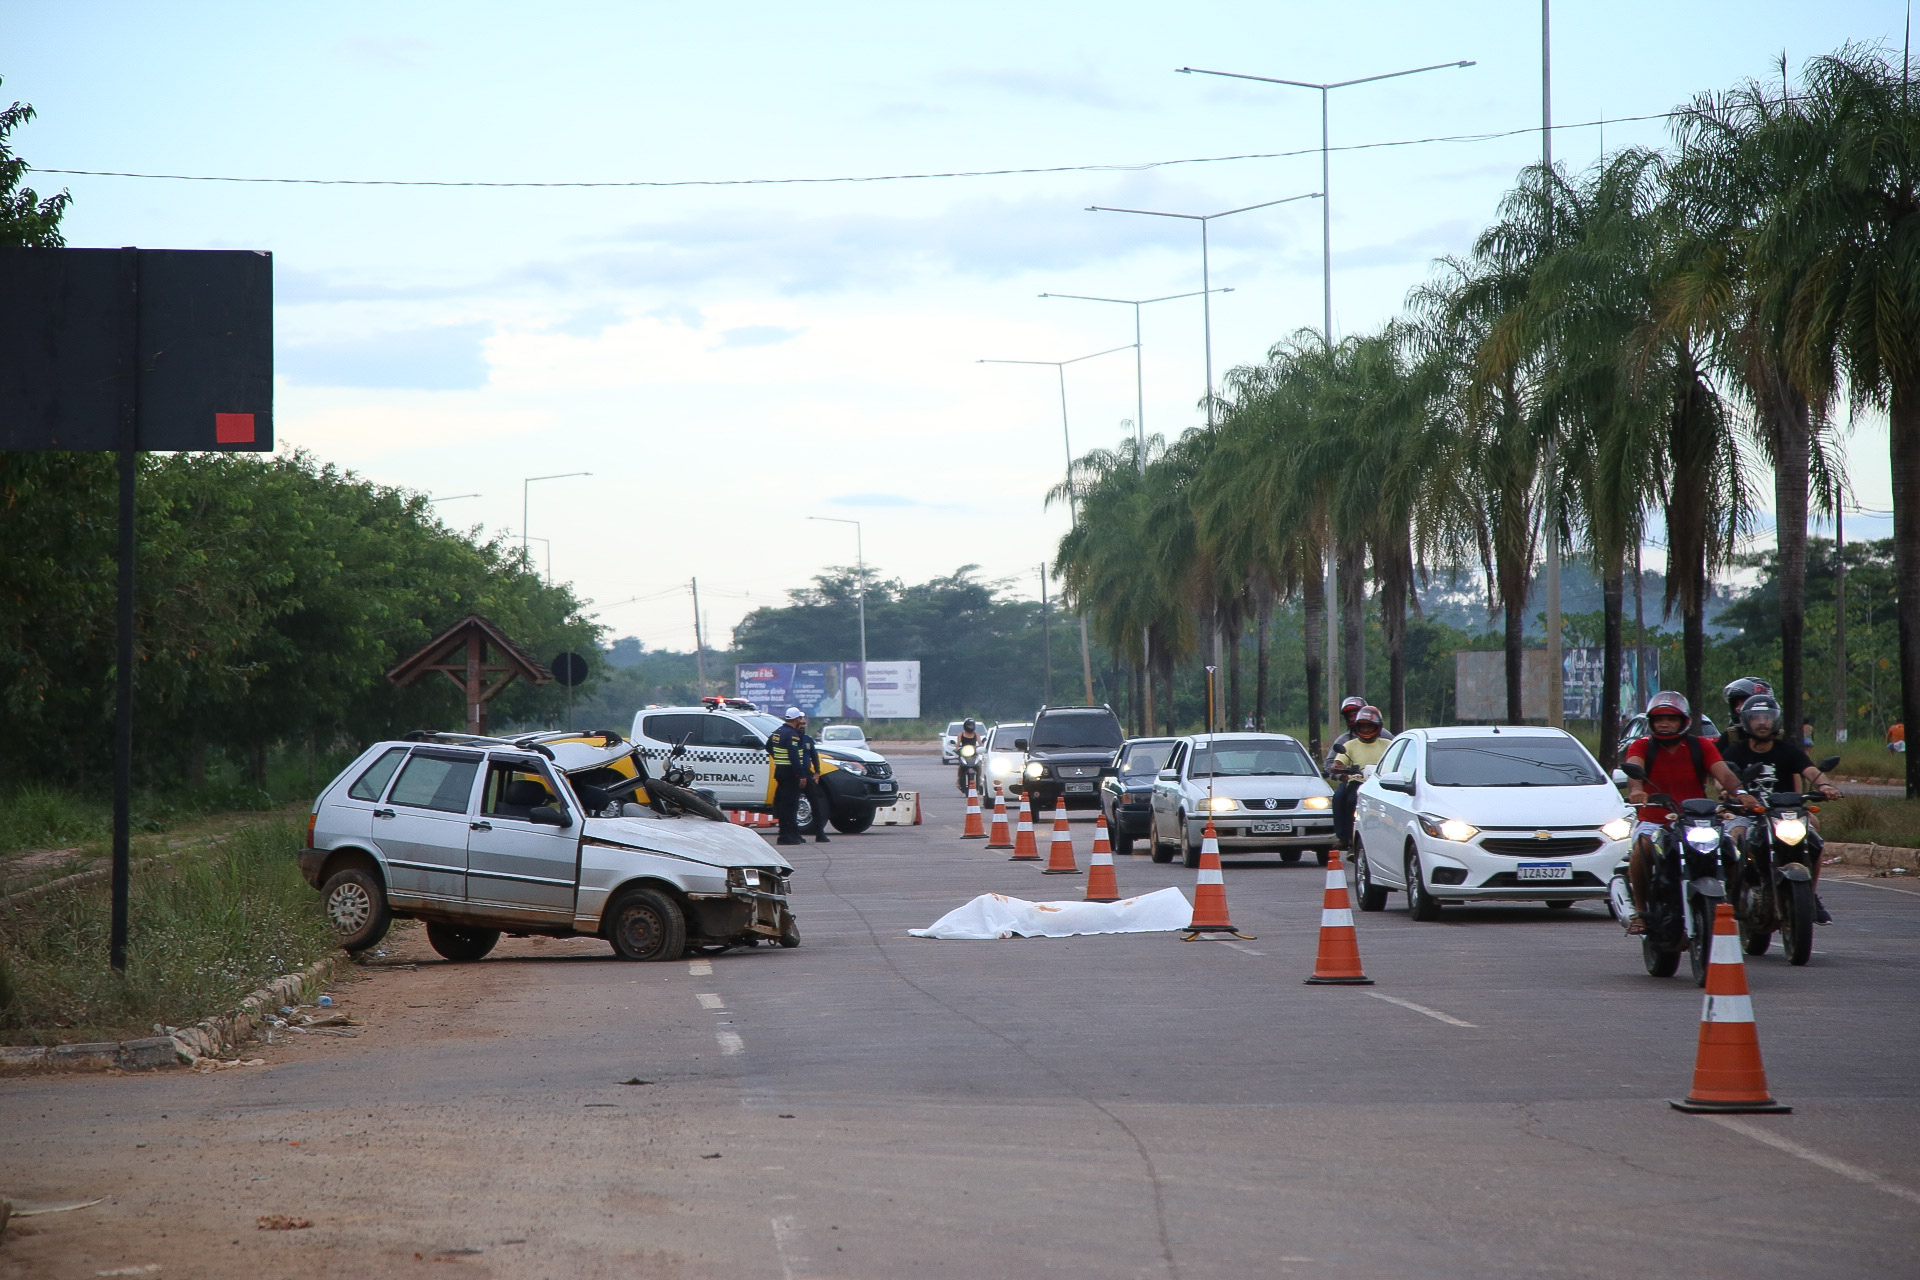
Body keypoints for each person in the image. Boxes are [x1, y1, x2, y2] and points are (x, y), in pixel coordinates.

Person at [1622, 691, 1763, 936]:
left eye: (1671, 718)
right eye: (1659, 719)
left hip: (1695, 819)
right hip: (1656, 820)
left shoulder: (1701, 746)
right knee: (1641, 850)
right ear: (1651, 722)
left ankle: (1734, 900)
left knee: (1732, 850)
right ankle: (1641, 911)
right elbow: (1635, 772)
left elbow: (1725, 775)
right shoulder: (1642, 745)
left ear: (1683, 721)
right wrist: (1636, 791)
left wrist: (1741, 793)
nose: (1664, 723)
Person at [1719, 692, 1837, 923]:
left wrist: (1824, 785)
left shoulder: (1788, 750)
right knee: (1734, 838)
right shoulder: (1735, 752)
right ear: (1746, 721)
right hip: (1748, 815)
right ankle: (1733, 893)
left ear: (1776, 721)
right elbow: (1722, 778)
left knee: (1813, 833)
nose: (1762, 723)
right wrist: (1729, 792)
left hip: (1783, 813)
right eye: (1756, 718)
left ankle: (1810, 894)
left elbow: (1810, 771)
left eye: (1767, 717)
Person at [1328, 704, 1390, 850]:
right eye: (1362, 726)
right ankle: (1349, 839)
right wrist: (1340, 769)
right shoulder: (1349, 744)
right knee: (1349, 801)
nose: (1366, 729)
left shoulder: (1388, 743)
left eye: (1370, 726)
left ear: (1378, 727)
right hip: (1357, 783)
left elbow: (1400, 760)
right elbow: (1336, 763)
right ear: (1357, 727)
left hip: (1382, 784)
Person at [768, 707, 809, 845]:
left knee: (788, 804)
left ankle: (793, 833)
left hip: (781, 771)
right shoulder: (792, 735)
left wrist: (778, 759)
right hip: (790, 774)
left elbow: (768, 746)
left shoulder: (778, 732)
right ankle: (785, 835)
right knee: (789, 805)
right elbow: (794, 756)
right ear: (796, 719)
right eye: (799, 719)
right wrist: (802, 775)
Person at [794, 714, 832, 843]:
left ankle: (820, 832)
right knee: (793, 804)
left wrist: (817, 773)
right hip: (794, 775)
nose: (802, 726)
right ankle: (795, 833)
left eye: (804, 724)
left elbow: (814, 756)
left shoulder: (808, 740)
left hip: (808, 774)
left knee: (816, 803)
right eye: (800, 724)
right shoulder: (791, 739)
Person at [1720, 676, 1774, 748]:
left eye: (1744, 703)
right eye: (1736, 704)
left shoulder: (1779, 737)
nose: (1737, 709)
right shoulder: (1729, 737)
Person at [1322, 696, 1371, 771]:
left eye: (1356, 715)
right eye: (1350, 716)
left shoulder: (1385, 736)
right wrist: (1343, 773)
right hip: (1354, 780)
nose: (1353, 718)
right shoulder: (1344, 740)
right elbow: (1329, 764)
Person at [955, 717, 982, 793]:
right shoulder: (961, 734)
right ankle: (959, 779)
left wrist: (981, 747)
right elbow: (958, 743)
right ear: (965, 726)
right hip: (964, 753)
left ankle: (979, 780)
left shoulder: (976, 734)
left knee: (979, 766)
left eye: (972, 725)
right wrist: (956, 748)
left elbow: (980, 743)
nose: (971, 727)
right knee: (960, 766)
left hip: (973, 754)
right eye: (969, 725)